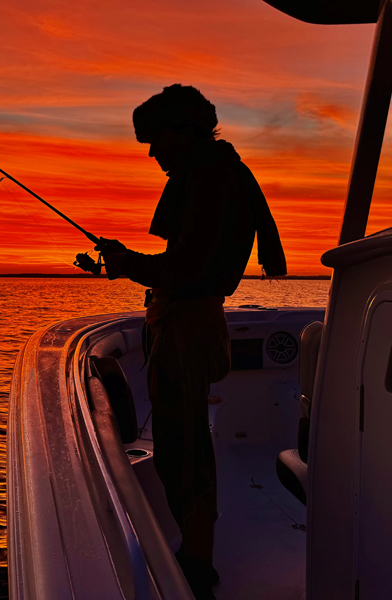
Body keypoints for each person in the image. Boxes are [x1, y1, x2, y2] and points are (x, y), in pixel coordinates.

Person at [86, 84, 286, 600]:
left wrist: (127, 262)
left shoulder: (207, 180)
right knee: (182, 439)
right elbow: (190, 266)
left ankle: (197, 562)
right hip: (196, 323)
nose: (153, 153)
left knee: (187, 445)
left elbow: (184, 268)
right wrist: (127, 264)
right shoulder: (225, 172)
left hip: (188, 329)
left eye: (157, 140)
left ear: (184, 130)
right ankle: (194, 549)